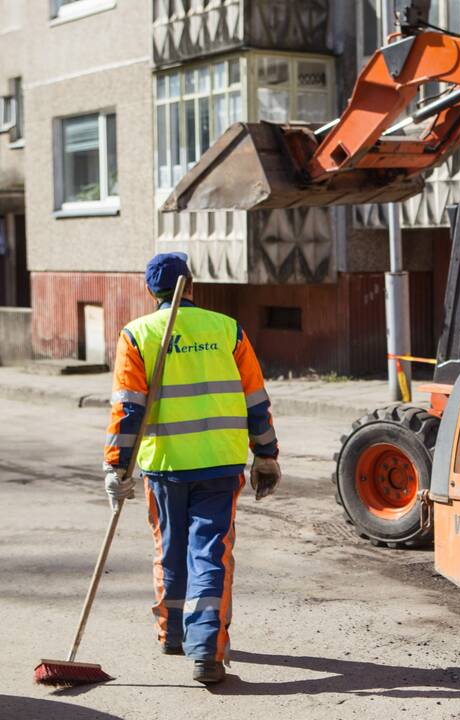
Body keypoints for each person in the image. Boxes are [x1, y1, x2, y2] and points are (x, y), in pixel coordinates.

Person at [103, 252, 281, 685]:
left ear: (150, 291)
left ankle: (173, 633)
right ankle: (205, 649)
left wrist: (117, 467)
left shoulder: (138, 333)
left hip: (165, 466)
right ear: (192, 286)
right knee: (210, 553)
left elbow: (128, 409)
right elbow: (255, 397)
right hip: (220, 463)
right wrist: (266, 453)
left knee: (171, 550)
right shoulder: (226, 329)